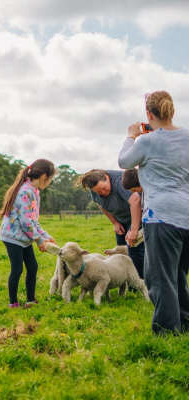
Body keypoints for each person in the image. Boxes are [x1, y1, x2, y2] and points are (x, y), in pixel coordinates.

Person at [119, 90, 189, 335]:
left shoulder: (146, 142)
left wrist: (131, 136)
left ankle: (167, 332)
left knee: (160, 278)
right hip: (186, 216)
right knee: (178, 274)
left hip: (161, 216)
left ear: (148, 114)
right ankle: (185, 322)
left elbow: (124, 162)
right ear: (172, 110)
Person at [0, 159, 56, 308]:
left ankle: (30, 300)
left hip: (24, 236)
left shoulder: (34, 191)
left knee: (32, 267)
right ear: (44, 176)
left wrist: (45, 236)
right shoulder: (25, 192)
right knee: (17, 269)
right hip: (12, 236)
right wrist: (39, 240)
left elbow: (33, 220)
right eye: (50, 179)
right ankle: (13, 302)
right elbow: (25, 222)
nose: (49, 182)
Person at [79, 169, 145, 278]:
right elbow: (101, 205)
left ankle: (139, 281)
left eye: (104, 188)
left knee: (134, 250)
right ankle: (124, 280)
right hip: (120, 219)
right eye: (99, 192)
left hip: (136, 216)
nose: (103, 193)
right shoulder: (95, 189)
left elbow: (135, 201)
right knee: (120, 251)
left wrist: (134, 230)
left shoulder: (119, 182)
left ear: (107, 177)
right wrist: (114, 222)